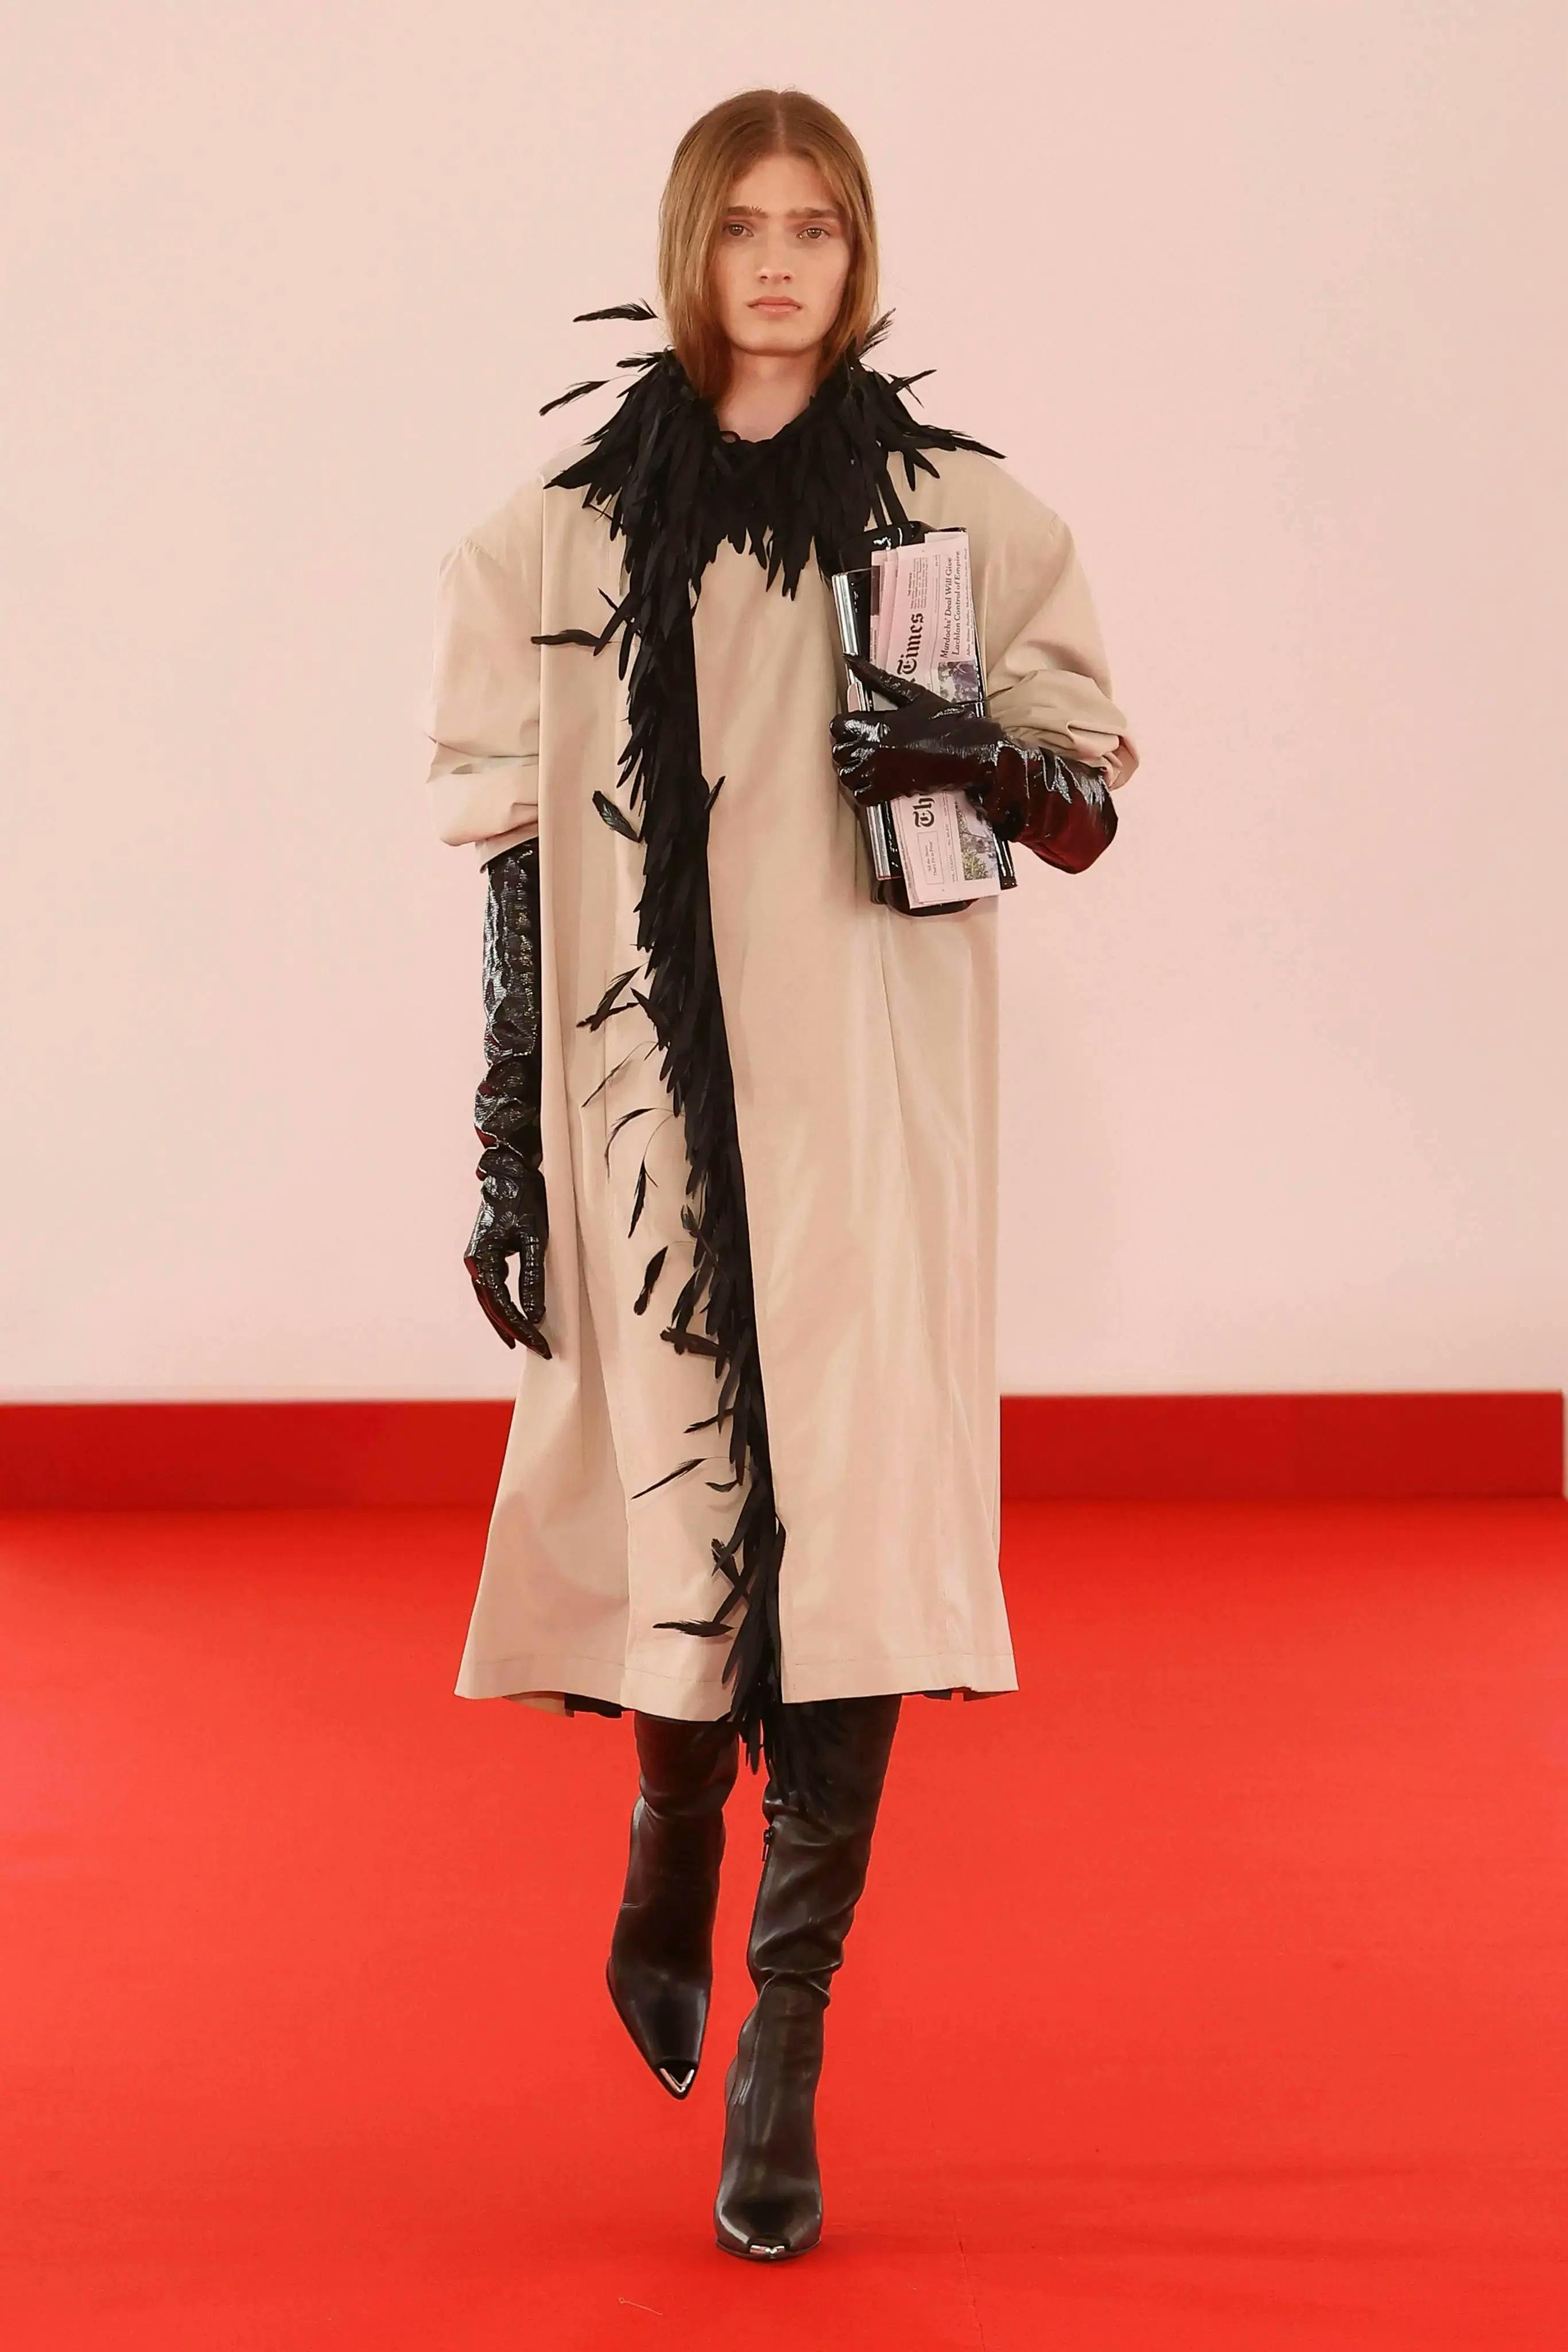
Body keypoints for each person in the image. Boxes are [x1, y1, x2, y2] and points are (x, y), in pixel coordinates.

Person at [422, 87, 1137, 2262]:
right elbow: (515, 858)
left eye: (814, 225)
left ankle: (785, 2042)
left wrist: (965, 749)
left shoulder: (957, 517)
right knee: (684, 1506)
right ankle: (666, 1834)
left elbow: (1086, 801)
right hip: (645, 1115)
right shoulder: (554, 540)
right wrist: (508, 1139)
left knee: (853, 1536)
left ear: (857, 251)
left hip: (870, 1109)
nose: (777, 261)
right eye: (741, 224)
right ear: (688, 245)